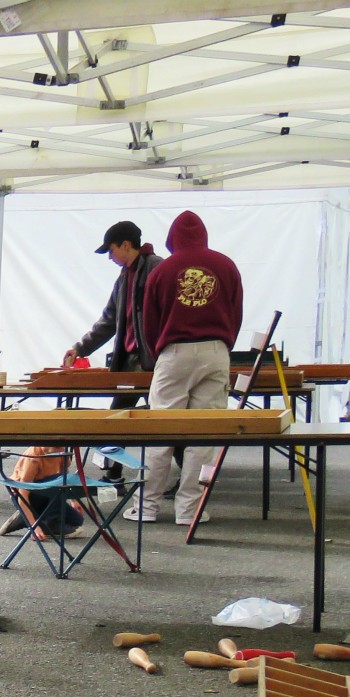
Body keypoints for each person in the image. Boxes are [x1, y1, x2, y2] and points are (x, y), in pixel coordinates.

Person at [127, 211, 244, 527]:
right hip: (216, 351)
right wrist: (223, 344)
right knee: (204, 434)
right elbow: (236, 312)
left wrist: (159, 351)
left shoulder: (163, 270)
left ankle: (147, 507)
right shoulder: (226, 265)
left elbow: (148, 321)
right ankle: (189, 510)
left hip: (174, 353)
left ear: (172, 238)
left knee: (159, 430)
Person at [62, 220, 163, 493]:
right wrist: (80, 348)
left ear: (126, 245)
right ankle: (114, 474)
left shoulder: (156, 268)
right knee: (119, 417)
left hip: (153, 361)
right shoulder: (124, 277)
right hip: (131, 360)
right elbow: (108, 321)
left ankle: (169, 476)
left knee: (163, 419)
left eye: (111, 250)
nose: (109, 256)